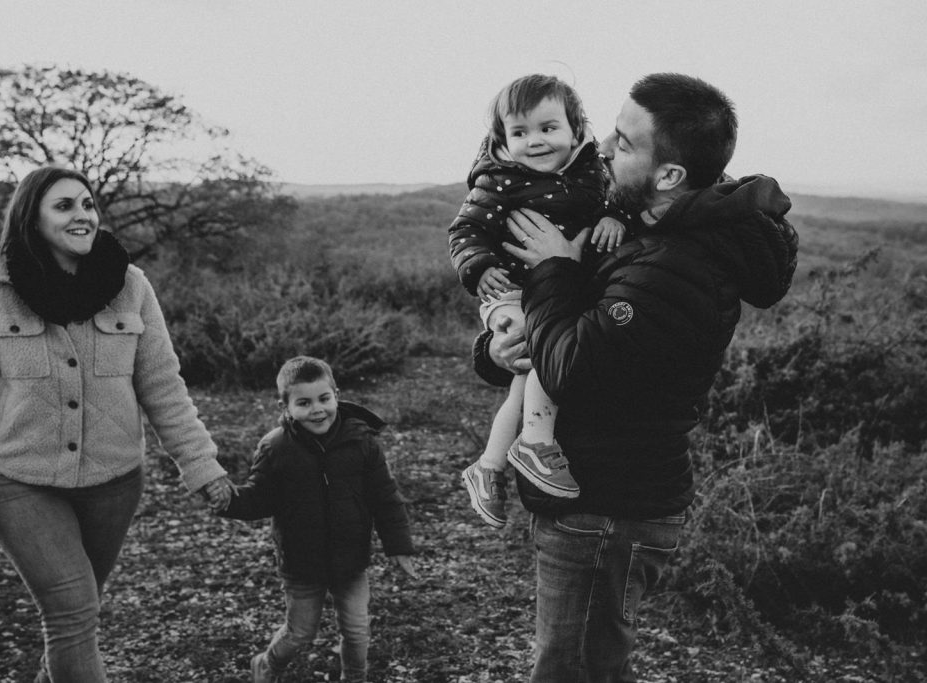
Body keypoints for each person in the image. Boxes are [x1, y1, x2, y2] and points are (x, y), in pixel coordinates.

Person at [474, 73, 799, 682]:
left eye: (623, 144)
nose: (600, 150)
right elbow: (563, 333)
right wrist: (497, 351)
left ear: (670, 174)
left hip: (608, 505)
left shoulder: (675, 266)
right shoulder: (646, 228)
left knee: (573, 672)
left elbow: (572, 368)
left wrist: (550, 269)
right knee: (588, 665)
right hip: (598, 497)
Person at [0, 167, 235, 683]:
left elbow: (163, 385)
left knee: (80, 613)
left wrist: (201, 465)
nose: (82, 216)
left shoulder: (130, 286)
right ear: (33, 217)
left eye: (88, 204)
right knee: (70, 613)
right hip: (18, 482)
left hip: (114, 482)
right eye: (64, 206)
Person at [448, 73, 630, 529]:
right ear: (503, 139)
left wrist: (613, 218)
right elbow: (464, 230)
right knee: (535, 349)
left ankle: (489, 466)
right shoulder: (500, 180)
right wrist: (478, 266)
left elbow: (613, 200)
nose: (534, 142)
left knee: (528, 372)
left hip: (555, 290)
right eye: (520, 132)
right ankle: (534, 442)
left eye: (548, 128)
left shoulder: (593, 172)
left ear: (575, 130)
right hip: (507, 288)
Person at [214, 356, 416, 683]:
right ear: (285, 406)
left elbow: (386, 497)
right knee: (299, 633)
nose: (317, 409)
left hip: (350, 559)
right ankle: (266, 666)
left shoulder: (361, 441)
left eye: (324, 399)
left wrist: (399, 546)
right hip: (301, 562)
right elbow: (258, 498)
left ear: (336, 393)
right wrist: (227, 500)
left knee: (357, 630)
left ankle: (355, 677)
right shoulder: (276, 447)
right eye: (304, 403)